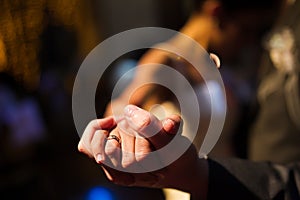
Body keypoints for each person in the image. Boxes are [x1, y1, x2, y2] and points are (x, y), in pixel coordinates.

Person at [78, 104, 300, 200]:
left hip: (231, 177)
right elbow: (124, 104)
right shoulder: (160, 60)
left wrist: (199, 175)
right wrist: (120, 130)